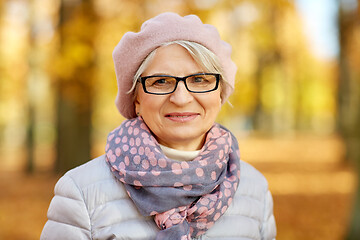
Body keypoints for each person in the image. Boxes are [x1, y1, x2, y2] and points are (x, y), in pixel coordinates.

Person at [41, 12, 276, 240]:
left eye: (199, 79)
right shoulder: (81, 192)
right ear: (136, 99)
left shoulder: (254, 189)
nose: (181, 98)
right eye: (161, 81)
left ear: (219, 93)